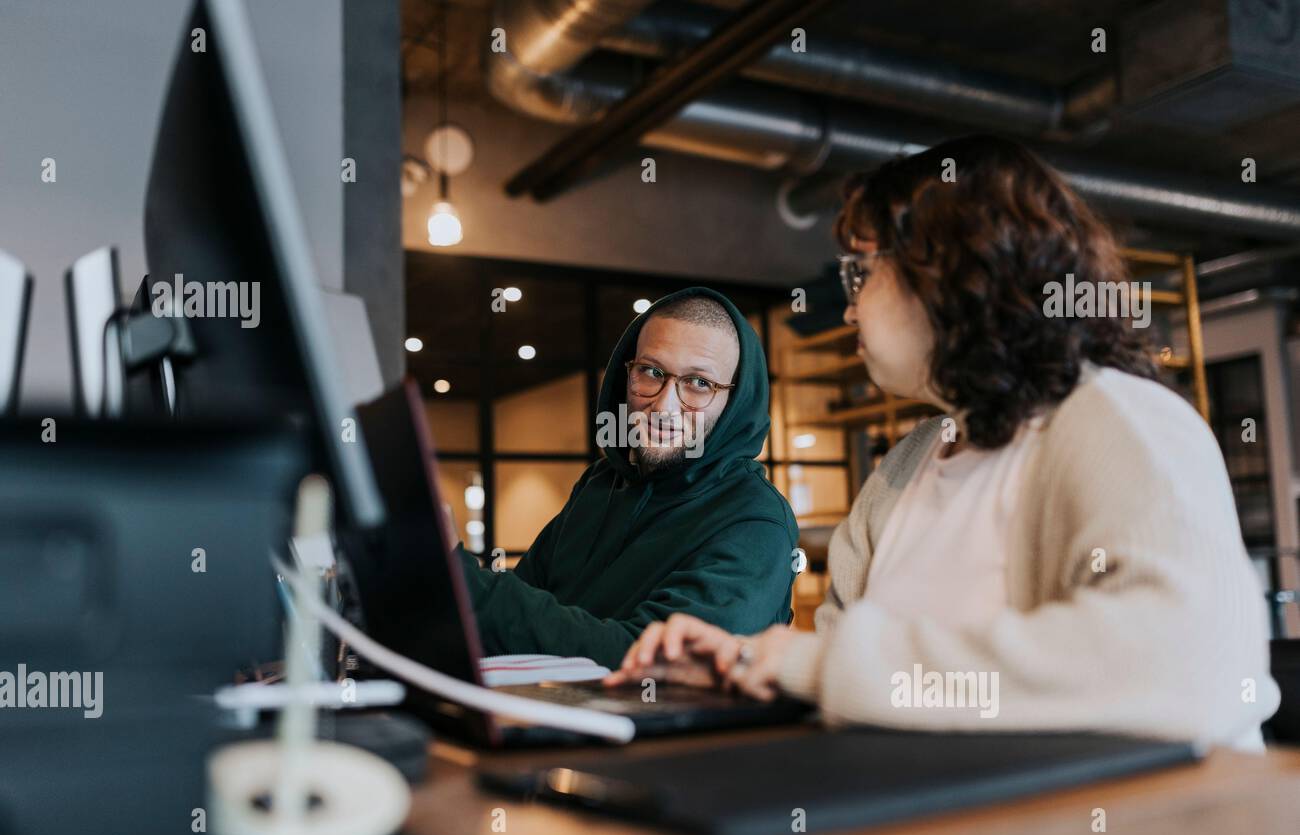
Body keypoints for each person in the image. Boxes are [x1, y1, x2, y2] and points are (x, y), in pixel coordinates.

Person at [607, 136, 1280, 749]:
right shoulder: (908, 464)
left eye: (860, 274)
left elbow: (1183, 666)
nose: (848, 309)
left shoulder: (1120, 421)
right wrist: (745, 666)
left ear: (953, 272)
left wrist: (815, 666)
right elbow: (860, 686)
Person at [453, 288, 799, 669]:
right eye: (651, 373)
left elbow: (652, 665)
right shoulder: (600, 484)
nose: (664, 406)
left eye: (699, 383)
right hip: (550, 717)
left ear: (736, 403)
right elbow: (514, 617)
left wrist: (464, 584)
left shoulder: (756, 522)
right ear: (627, 375)